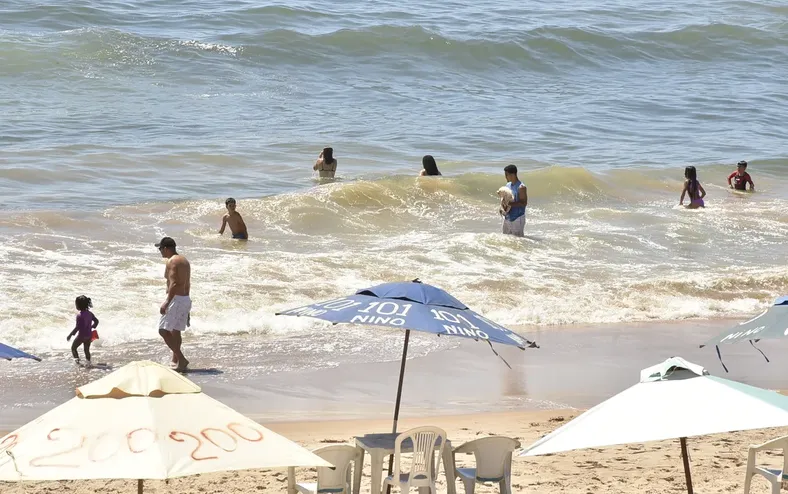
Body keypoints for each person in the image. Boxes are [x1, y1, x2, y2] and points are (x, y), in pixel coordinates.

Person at [155, 237, 191, 371]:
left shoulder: (172, 261)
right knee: (176, 331)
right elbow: (186, 283)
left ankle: (181, 359)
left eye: (160, 249)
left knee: (163, 330)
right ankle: (175, 360)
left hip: (176, 299)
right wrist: (187, 307)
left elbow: (174, 283)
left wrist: (166, 302)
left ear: (166, 248)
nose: (160, 252)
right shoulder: (184, 261)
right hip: (185, 298)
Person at [67, 295, 99, 367]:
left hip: (81, 336)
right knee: (86, 350)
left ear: (78, 305)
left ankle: (77, 362)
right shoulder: (90, 314)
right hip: (89, 335)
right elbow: (96, 321)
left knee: (73, 348)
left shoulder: (79, 315)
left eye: (76, 304)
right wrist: (93, 326)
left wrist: (70, 335)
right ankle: (88, 363)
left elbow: (77, 327)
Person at [501, 165, 528, 236]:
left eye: (506, 175)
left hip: (517, 218)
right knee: (506, 239)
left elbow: (524, 203)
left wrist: (509, 204)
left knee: (518, 242)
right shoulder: (508, 185)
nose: (505, 177)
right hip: (507, 217)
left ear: (513, 174)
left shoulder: (521, 187)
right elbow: (507, 198)